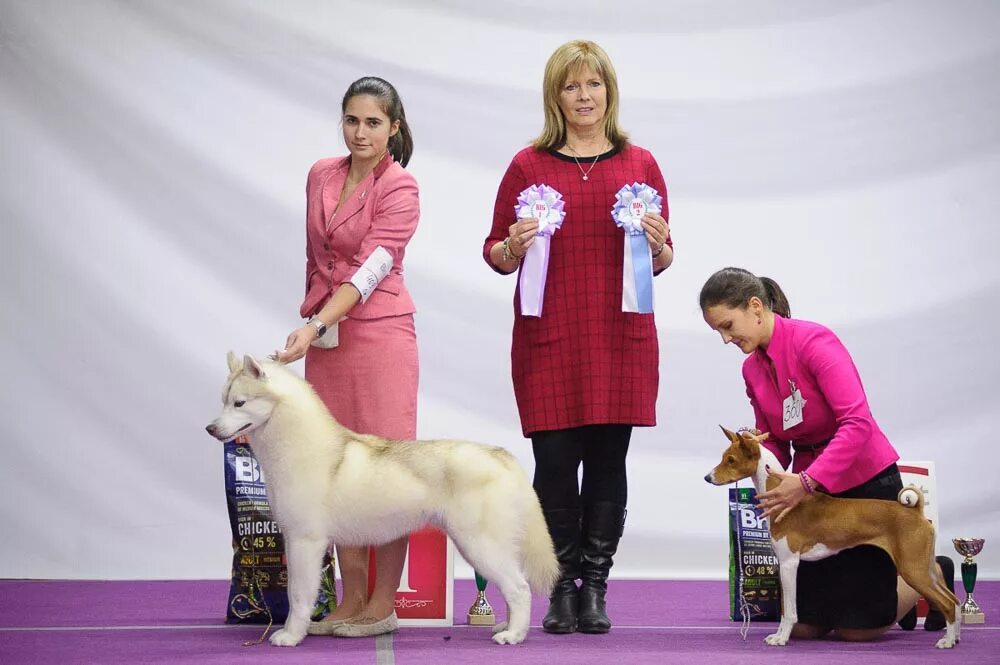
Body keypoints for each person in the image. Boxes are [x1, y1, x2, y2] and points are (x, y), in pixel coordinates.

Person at [482, 40, 674, 634]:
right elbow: (494, 254)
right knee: (554, 465)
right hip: (551, 336)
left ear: (609, 92)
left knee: (609, 461)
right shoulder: (527, 165)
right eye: (571, 86)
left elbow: (662, 260)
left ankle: (595, 586)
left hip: (619, 336)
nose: (583, 96)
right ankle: (559, 586)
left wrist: (662, 241)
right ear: (555, 96)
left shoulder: (639, 163)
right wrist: (513, 244)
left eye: (593, 85)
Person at [699, 266, 955, 640]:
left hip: (863, 480)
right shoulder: (752, 370)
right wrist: (756, 457)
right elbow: (774, 444)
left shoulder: (815, 342)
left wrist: (807, 480)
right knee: (806, 627)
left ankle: (926, 574)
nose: (725, 338)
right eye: (717, 331)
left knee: (858, 631)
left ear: (755, 307)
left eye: (727, 325)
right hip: (812, 497)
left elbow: (858, 422)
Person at [274, 76, 419, 638]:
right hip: (328, 340)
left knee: (387, 469)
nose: (361, 133)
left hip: (380, 335)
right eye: (352, 121)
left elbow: (370, 269)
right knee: (333, 468)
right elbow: (319, 256)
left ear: (394, 129)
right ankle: (351, 595)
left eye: (373, 123)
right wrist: (315, 316)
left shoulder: (401, 188)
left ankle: (383, 604)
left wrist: (315, 323)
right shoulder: (321, 174)